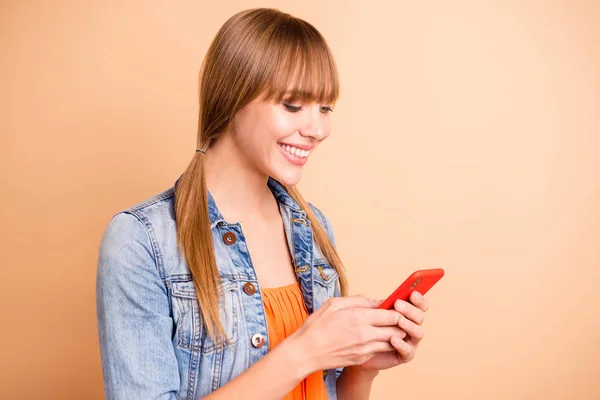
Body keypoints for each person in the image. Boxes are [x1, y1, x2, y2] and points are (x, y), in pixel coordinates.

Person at [96, 7, 430, 400]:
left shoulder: (312, 227)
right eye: (293, 106)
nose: (317, 130)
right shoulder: (142, 241)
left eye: (325, 108)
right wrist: (305, 351)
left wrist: (361, 370)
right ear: (232, 98)